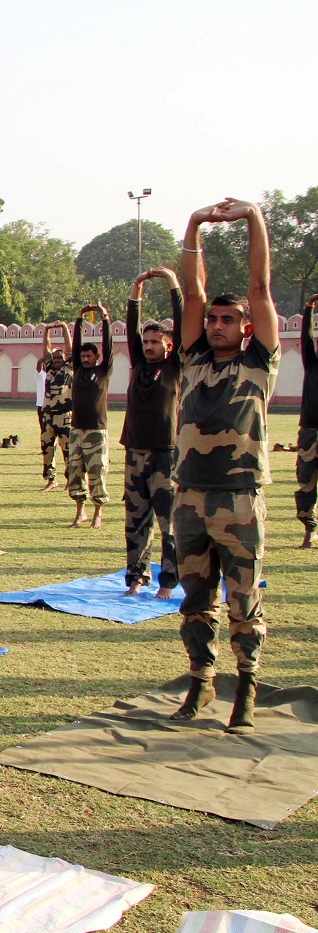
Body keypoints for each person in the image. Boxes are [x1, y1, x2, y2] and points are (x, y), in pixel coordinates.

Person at [169, 198, 280, 735]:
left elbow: (260, 288)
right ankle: (200, 680)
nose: (215, 325)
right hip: (188, 494)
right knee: (195, 598)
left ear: (246, 326)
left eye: (227, 320)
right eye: (212, 319)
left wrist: (253, 217)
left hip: (238, 495)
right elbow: (191, 291)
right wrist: (193, 225)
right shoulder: (192, 358)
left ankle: (248, 687)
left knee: (243, 599)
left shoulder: (259, 360)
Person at [122, 267, 183, 598]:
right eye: (145, 342)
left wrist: (173, 285)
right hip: (134, 452)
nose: (147, 346)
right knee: (136, 521)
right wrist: (136, 289)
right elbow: (131, 325)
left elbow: (183, 322)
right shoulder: (139, 364)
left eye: (154, 342)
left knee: (167, 523)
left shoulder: (174, 367)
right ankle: (136, 576)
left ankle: (169, 580)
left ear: (168, 346)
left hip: (164, 454)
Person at [68, 304, 113, 528]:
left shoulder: (103, 371)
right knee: (74, 473)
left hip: (96, 430)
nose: (85, 358)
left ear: (96, 356)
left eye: (89, 356)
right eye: (83, 356)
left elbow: (109, 346)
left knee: (97, 473)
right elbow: (75, 346)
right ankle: (80, 512)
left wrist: (104, 318)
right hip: (76, 429)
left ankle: (98, 512)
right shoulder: (77, 369)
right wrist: (79, 319)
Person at [39, 322, 72, 491]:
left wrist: (64, 328)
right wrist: (47, 330)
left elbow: (69, 347)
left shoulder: (69, 369)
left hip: (64, 415)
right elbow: (46, 348)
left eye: (60, 357)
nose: (57, 360)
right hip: (48, 415)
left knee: (67, 449)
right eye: (55, 358)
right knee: (47, 448)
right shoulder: (50, 369)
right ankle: (51, 479)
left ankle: (70, 480)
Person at [297, 293, 318, 548]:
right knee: (305, 485)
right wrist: (309, 308)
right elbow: (306, 339)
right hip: (309, 434)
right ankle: (309, 528)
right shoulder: (312, 364)